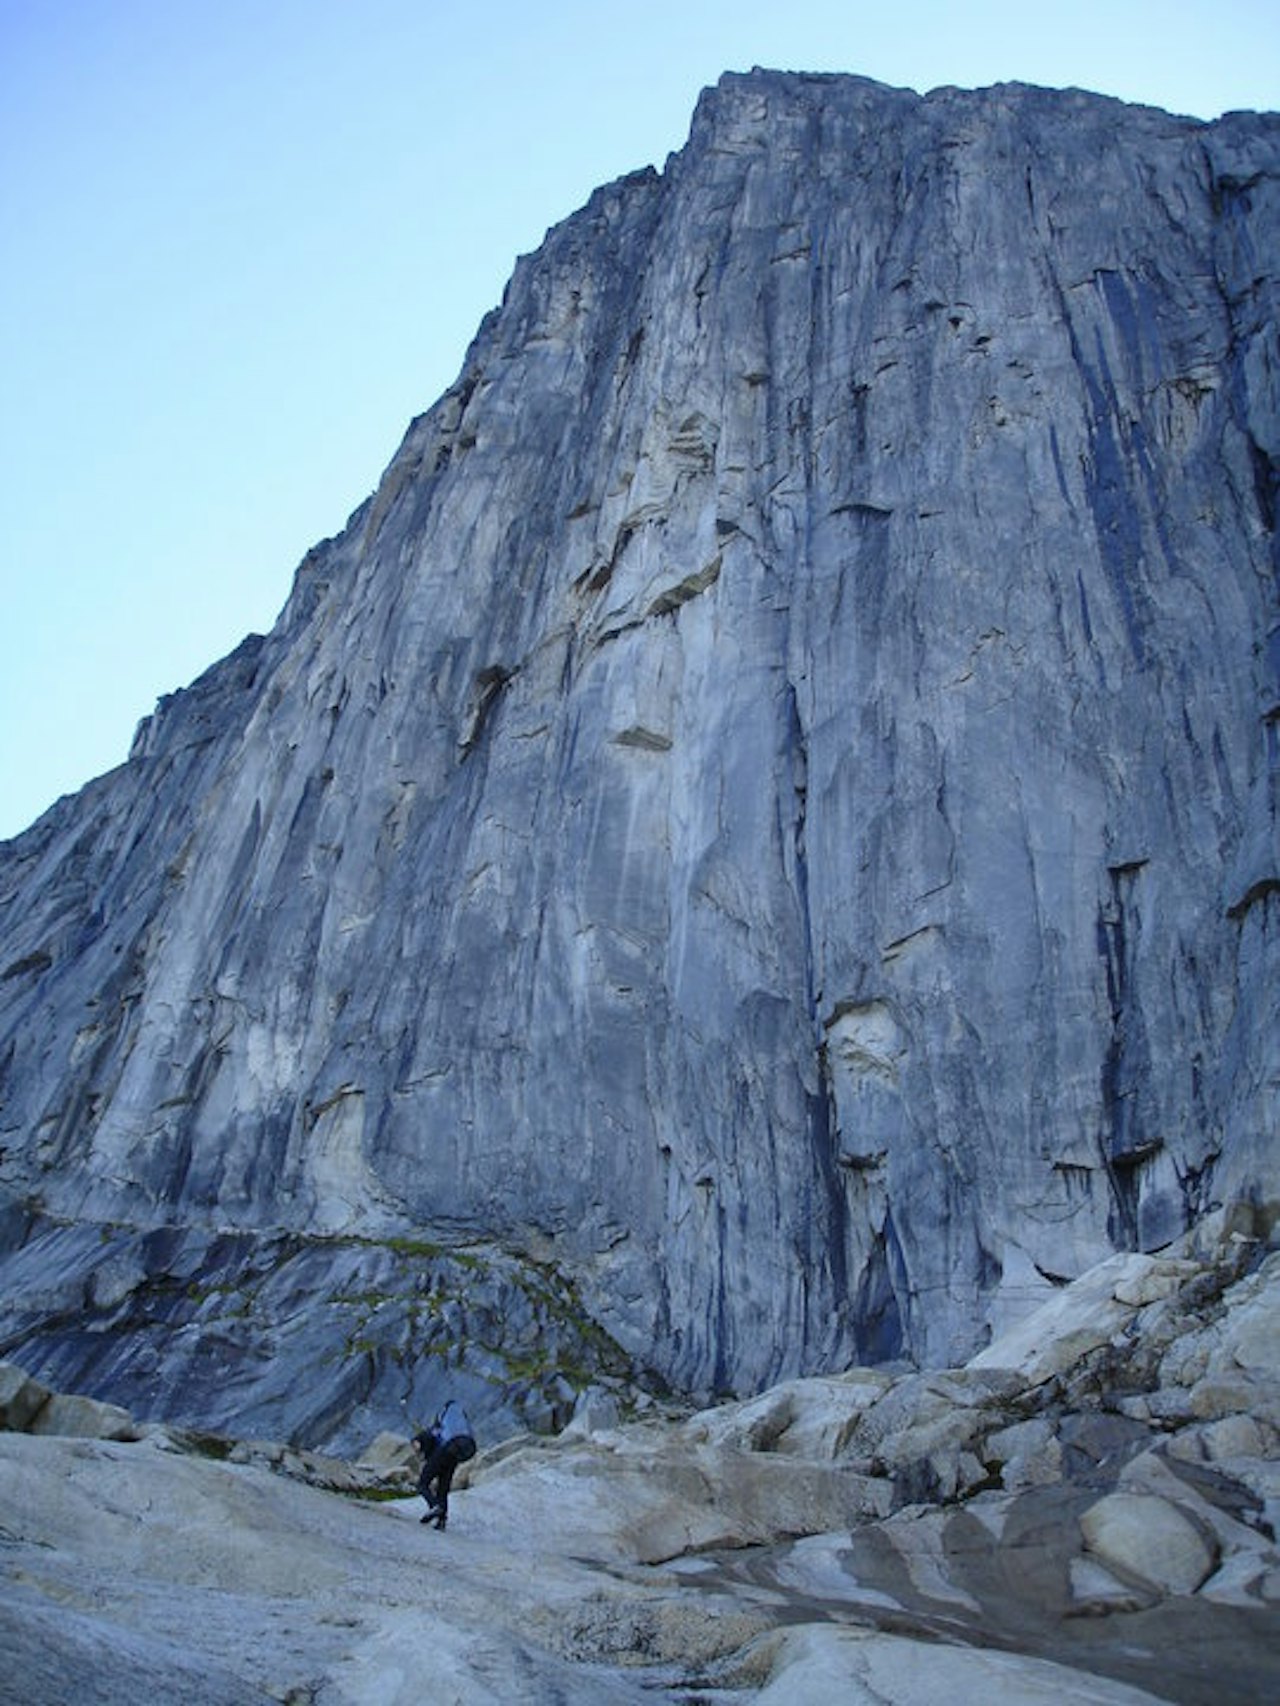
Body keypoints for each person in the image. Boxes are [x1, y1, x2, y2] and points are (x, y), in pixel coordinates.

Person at [412, 1399, 477, 1530]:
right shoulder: (450, 1431)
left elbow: (419, 1444)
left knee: (422, 1484)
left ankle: (435, 1506)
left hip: (441, 1453)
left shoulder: (433, 1430)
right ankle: (441, 1521)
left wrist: (417, 1445)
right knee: (443, 1489)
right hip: (454, 1456)